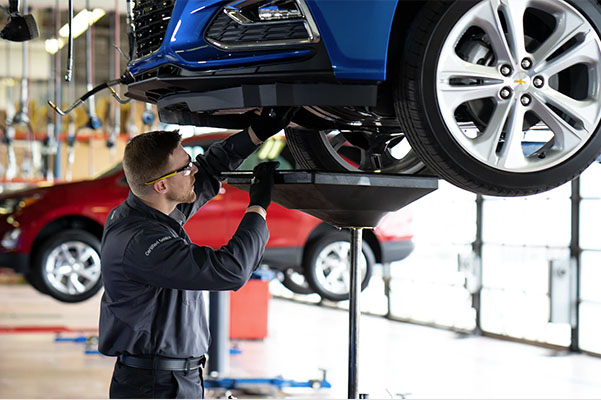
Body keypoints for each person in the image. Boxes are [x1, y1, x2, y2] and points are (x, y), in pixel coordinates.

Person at [98, 108, 296, 399]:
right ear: (161, 185)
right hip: (156, 387)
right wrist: (258, 207)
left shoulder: (152, 210)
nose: (193, 171)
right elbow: (230, 270)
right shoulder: (141, 243)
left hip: (172, 377)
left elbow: (210, 169)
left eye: (189, 163)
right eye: (185, 168)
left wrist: (256, 133)